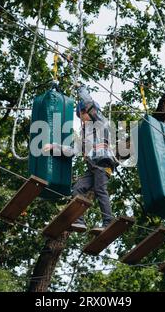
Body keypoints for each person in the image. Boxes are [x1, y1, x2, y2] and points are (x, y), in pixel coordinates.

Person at [43, 84, 118, 233]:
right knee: (77, 189)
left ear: (89, 112)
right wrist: (54, 147)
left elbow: (88, 103)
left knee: (100, 190)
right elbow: (72, 151)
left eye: (81, 115)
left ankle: (108, 221)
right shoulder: (84, 134)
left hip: (103, 164)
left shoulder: (100, 122)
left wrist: (80, 88)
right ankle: (79, 221)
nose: (81, 119)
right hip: (92, 167)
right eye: (79, 117)